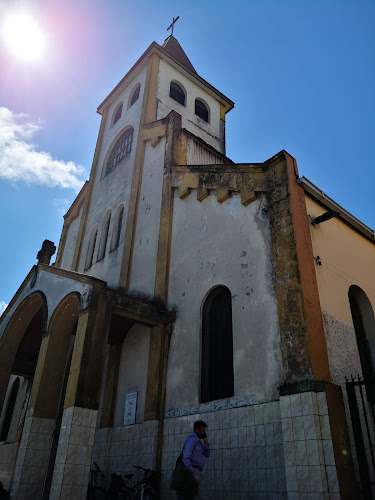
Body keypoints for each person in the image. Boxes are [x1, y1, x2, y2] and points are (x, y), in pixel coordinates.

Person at [179, 420, 210, 500]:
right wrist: (193, 471)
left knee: (191, 496)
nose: (204, 432)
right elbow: (186, 457)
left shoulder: (198, 442)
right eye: (203, 430)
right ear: (197, 430)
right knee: (202, 496)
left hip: (197, 471)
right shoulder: (192, 440)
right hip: (193, 471)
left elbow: (207, 454)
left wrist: (206, 442)